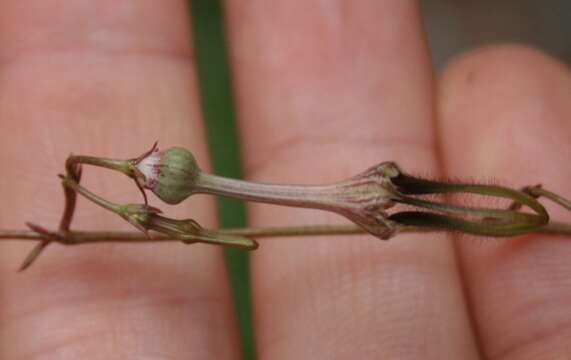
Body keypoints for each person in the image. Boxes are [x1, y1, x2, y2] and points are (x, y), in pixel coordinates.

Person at [1, 1, 569, 358]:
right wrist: (150, 217)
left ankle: (526, 207)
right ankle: (524, 207)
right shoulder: (164, 192)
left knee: (484, 207)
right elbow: (239, 238)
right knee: (446, 204)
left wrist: (158, 216)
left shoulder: (174, 188)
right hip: (349, 197)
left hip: (353, 196)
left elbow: (241, 239)